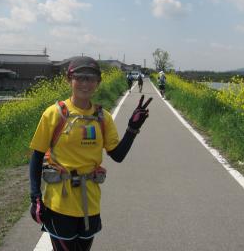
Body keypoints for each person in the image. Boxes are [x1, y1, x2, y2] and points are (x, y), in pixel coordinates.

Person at [29, 56, 153, 251]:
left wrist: (132, 129)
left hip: (91, 204)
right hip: (59, 205)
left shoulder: (103, 118)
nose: (85, 83)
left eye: (91, 78)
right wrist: (35, 197)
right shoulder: (53, 114)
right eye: (80, 77)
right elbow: (36, 156)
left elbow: (117, 155)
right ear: (69, 80)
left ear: (98, 83)